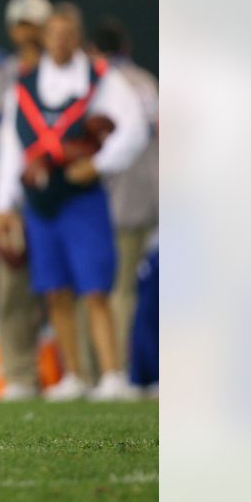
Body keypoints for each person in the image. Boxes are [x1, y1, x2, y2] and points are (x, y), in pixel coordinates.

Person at [0, 6, 149, 401]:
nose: (60, 41)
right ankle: (75, 374)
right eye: (54, 33)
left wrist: (99, 163)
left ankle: (113, 374)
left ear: (78, 36)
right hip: (39, 200)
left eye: (68, 33)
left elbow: (134, 127)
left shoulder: (101, 78)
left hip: (81, 198)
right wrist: (3, 204)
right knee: (55, 291)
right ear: (44, 37)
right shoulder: (24, 84)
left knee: (96, 289)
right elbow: (13, 147)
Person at [0, 0, 52, 400]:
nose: (27, 33)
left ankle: (81, 372)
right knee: (12, 290)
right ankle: (20, 374)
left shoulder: (66, 73)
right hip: (12, 195)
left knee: (66, 288)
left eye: (34, 24)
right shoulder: (1, 76)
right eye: (21, 25)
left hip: (58, 193)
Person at [90, 19, 158, 371]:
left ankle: (117, 370)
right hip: (154, 193)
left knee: (114, 291)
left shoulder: (105, 85)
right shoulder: (147, 81)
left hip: (119, 199)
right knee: (138, 289)